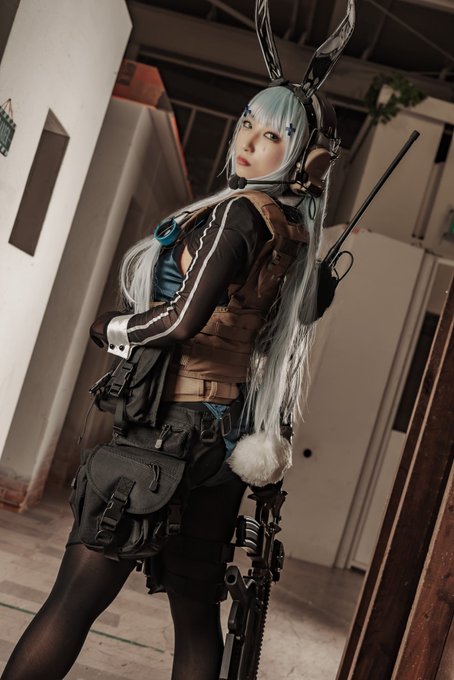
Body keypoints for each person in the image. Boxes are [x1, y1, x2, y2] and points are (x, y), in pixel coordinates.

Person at [1, 2, 356, 679]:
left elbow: (179, 321)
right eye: (247, 123)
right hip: (221, 437)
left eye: (272, 135)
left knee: (74, 600)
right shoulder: (292, 235)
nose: (248, 141)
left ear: (305, 157)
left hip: (169, 431)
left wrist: (112, 328)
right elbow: (277, 328)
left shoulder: (239, 216)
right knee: (196, 617)